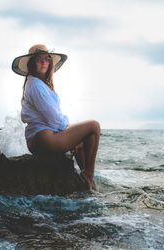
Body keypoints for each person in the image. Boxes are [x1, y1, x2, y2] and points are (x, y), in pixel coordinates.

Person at [12, 44, 100, 190]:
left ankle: (86, 182)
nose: (45, 63)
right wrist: (66, 127)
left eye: (47, 59)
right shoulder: (36, 85)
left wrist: (68, 131)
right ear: (32, 63)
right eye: (40, 60)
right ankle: (89, 175)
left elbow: (52, 118)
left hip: (39, 139)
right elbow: (54, 119)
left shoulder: (35, 83)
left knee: (84, 140)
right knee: (94, 126)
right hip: (45, 139)